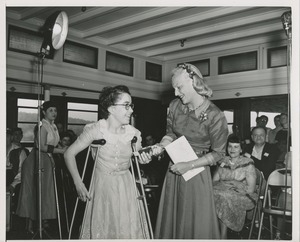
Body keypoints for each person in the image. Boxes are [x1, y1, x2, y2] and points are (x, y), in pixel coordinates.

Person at [64, 85, 152, 239]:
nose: (131, 110)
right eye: (126, 105)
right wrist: (78, 183)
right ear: (111, 108)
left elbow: (138, 159)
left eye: (131, 105)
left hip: (126, 186)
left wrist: (146, 158)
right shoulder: (96, 130)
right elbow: (69, 154)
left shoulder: (134, 134)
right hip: (103, 185)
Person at [152, 63, 228, 239]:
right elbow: (170, 133)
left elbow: (218, 154)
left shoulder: (215, 115)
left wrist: (189, 165)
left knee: (195, 223)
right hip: (175, 168)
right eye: (174, 89)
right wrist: (161, 146)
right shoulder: (175, 106)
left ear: (194, 82)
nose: (176, 93)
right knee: (172, 221)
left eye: (179, 87)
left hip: (196, 173)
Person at [16, 101, 67, 234]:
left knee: (45, 192)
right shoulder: (42, 126)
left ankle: (41, 224)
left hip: (47, 159)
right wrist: (60, 151)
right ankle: (31, 227)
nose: (54, 113)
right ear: (44, 112)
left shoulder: (53, 126)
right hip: (37, 159)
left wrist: (66, 149)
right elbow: (42, 146)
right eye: (51, 110)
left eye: (55, 110)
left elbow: (56, 144)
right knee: (36, 191)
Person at [212, 135, 257, 239]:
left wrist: (232, 183)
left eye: (236, 147)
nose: (232, 149)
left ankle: (222, 236)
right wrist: (230, 183)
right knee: (214, 195)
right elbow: (213, 182)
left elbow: (250, 189)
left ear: (241, 149)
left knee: (222, 197)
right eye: (230, 146)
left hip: (245, 196)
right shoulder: (223, 161)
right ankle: (214, 232)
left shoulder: (248, 163)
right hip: (222, 192)